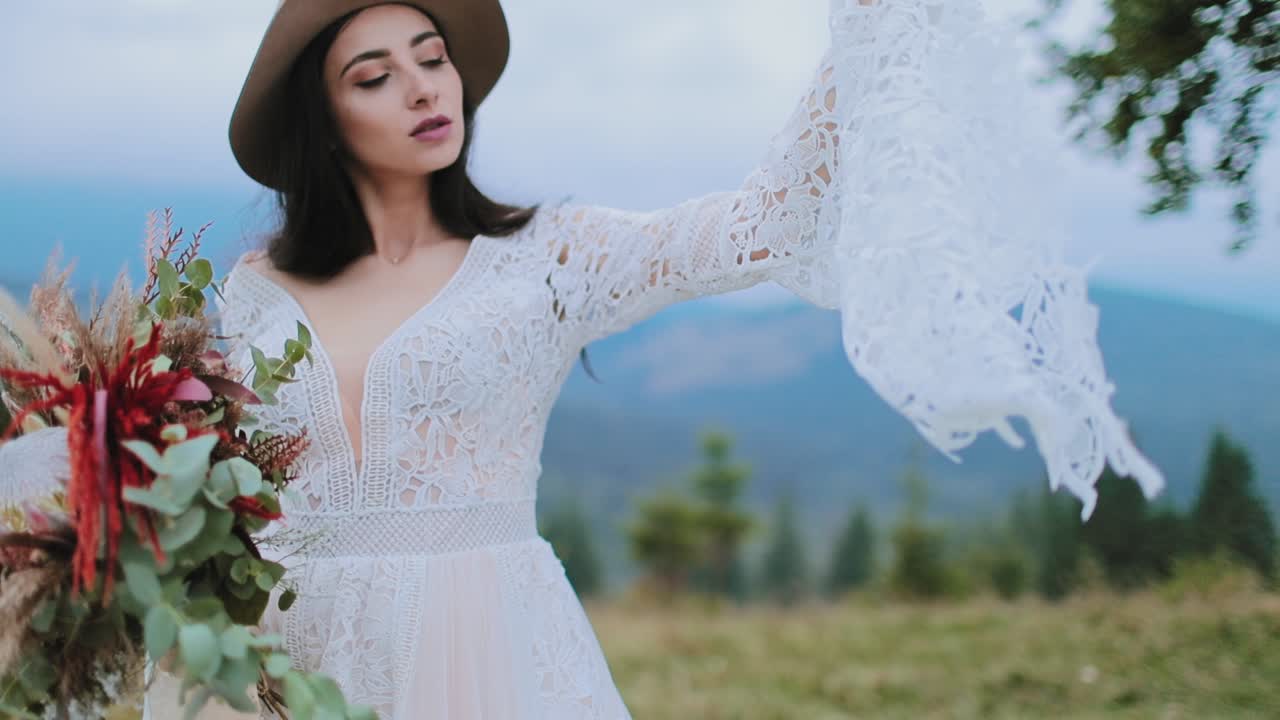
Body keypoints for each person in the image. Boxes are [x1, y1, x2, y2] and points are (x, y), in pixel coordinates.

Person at [1, 0, 1165, 717]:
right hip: (284, 666)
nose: (422, 86)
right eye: (375, 76)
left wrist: (870, 24)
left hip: (488, 647)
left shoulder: (550, 257)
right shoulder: (239, 299)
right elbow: (143, 475)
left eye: (431, 56)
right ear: (325, 119)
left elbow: (770, 216)